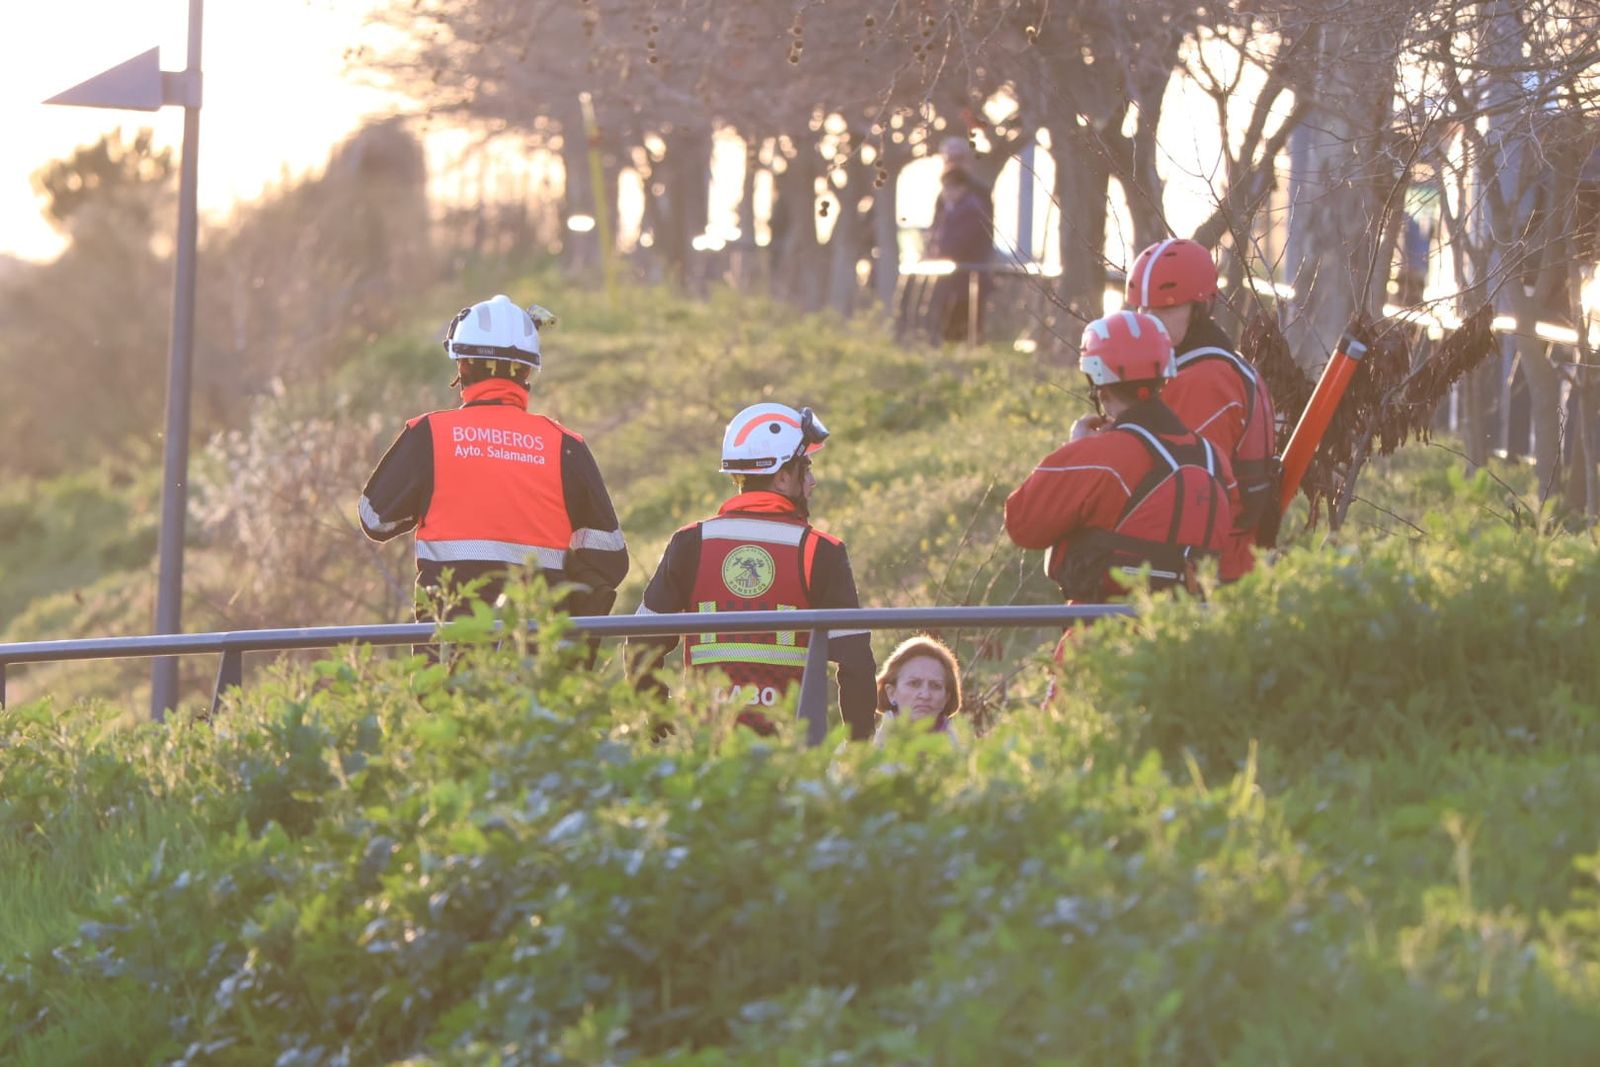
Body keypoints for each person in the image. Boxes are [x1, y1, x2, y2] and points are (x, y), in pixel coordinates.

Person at [358, 294, 628, 627]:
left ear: (463, 366)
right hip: (538, 658)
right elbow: (611, 560)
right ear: (528, 370)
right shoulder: (565, 447)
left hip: (447, 657)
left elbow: (374, 520)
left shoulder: (429, 434)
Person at [629, 403, 877, 740]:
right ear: (783, 476)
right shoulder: (820, 551)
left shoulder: (691, 542)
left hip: (706, 744)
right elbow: (856, 665)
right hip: (790, 750)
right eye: (806, 467)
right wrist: (859, 748)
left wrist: (656, 713)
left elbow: (642, 639)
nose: (813, 481)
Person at [1005, 310, 1238, 604]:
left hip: (1100, 635)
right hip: (1189, 637)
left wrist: (1074, 447)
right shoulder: (1215, 461)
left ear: (1099, 387)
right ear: (1163, 378)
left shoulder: (1097, 457)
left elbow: (1022, 523)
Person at [1127, 238, 1280, 579]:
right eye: (1142, 309)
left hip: (1210, 567)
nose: (1149, 321)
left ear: (1199, 308)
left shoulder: (1204, 380)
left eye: (1165, 309)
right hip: (1210, 554)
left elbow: (1190, 497)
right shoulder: (1201, 366)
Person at [926, 166, 995, 343]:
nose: (945, 192)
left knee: (960, 328)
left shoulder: (971, 210)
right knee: (951, 327)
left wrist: (938, 251)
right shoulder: (952, 209)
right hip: (956, 278)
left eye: (949, 187)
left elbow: (959, 242)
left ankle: (962, 362)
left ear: (962, 187)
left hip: (967, 278)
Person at [874, 634, 962, 735]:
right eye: (914, 683)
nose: (925, 695)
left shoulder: (965, 748)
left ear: (947, 698)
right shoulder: (865, 748)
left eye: (935, 686)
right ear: (891, 693)